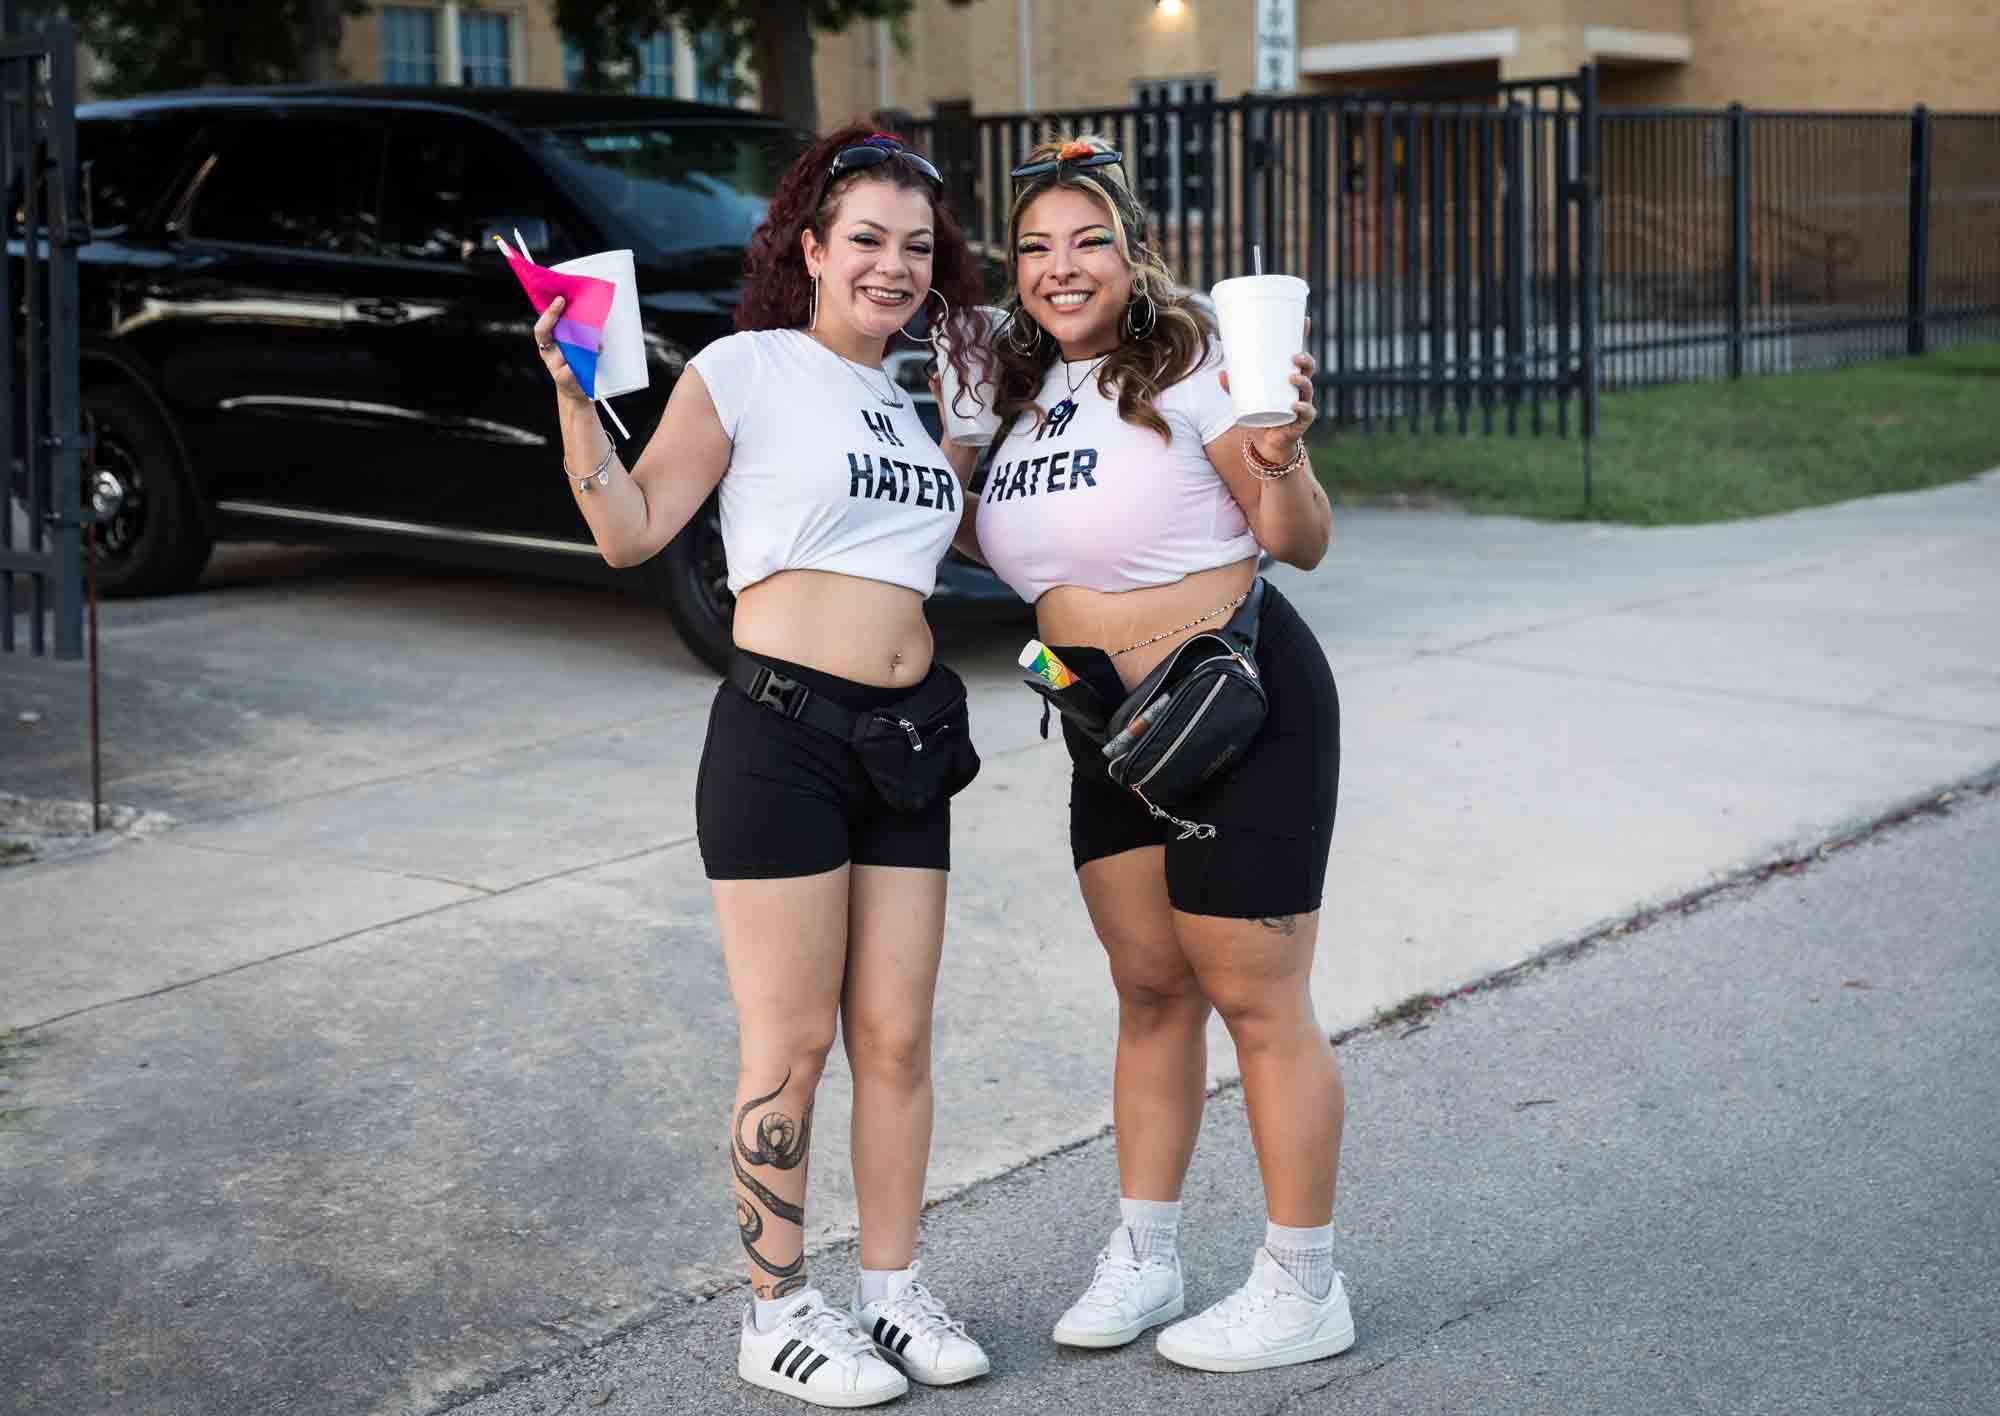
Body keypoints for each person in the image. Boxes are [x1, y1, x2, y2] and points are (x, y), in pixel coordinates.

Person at [531, 127, 991, 1408]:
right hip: (778, 741)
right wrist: (575, 395)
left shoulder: (904, 401)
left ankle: (891, 1293)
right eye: (866, 242)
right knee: (788, 1048)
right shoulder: (742, 369)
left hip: (902, 749)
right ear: (811, 249)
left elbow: (927, 544)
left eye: (915, 248)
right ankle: (777, 1311)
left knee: (896, 1038)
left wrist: (963, 430)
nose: (892, 268)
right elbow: (629, 532)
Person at [966, 135, 1349, 1373]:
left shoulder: (1189, 357)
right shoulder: (1012, 391)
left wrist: (1278, 441)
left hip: (1235, 705)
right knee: (1147, 992)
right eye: (1033, 246)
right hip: (1102, 727)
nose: (1058, 268)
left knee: (1254, 996)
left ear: (1132, 256)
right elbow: (1005, 552)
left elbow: (1298, 540)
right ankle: (1146, 1251)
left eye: (1086, 242)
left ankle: (1304, 1283)